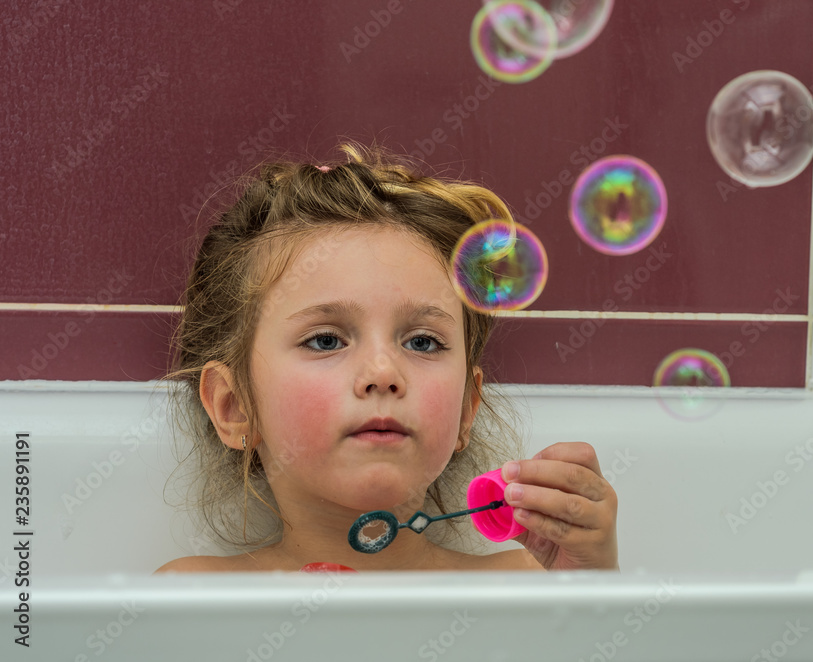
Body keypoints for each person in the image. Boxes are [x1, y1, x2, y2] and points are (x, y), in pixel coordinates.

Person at [155, 143, 618, 573]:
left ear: (465, 409)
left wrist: (590, 595)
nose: (383, 373)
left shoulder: (523, 585)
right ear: (235, 408)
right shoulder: (194, 596)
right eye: (325, 341)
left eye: (422, 342)